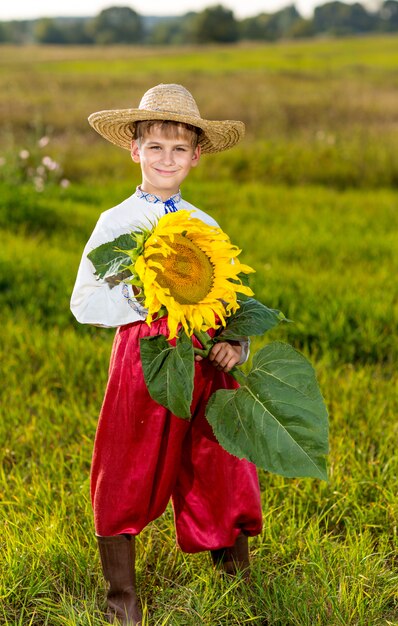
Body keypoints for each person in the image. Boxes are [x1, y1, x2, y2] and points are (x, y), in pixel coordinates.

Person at [70, 83, 262, 625]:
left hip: (202, 357)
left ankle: (234, 567)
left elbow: (230, 298)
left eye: (179, 148)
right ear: (134, 150)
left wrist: (234, 341)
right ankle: (121, 594)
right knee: (129, 459)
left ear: (197, 155)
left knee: (219, 455)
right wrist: (146, 295)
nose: (167, 159)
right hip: (145, 356)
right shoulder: (117, 222)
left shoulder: (205, 224)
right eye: (155, 146)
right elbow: (84, 301)